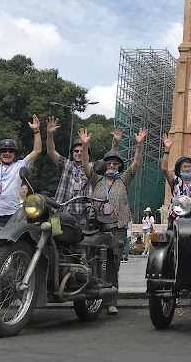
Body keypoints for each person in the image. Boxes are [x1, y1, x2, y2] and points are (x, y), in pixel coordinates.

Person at [80, 125, 146, 315]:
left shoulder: (123, 179)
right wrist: (85, 146)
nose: (111, 166)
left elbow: (136, 163)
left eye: (115, 164)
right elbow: (85, 164)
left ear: (119, 167)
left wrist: (139, 145)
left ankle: (110, 301)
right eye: (108, 163)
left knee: (112, 264)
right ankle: (91, 299)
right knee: (92, 262)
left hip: (117, 226)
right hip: (97, 226)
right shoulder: (96, 179)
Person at [46, 117, 123, 220]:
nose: (79, 153)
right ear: (72, 153)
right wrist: (49, 134)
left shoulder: (92, 167)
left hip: (84, 213)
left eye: (82, 151)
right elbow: (51, 151)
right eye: (76, 151)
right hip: (61, 211)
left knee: (86, 236)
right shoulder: (65, 164)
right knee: (51, 231)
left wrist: (116, 143)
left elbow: (109, 160)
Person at [160, 132, 191, 229]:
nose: (187, 169)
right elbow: (164, 168)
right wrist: (167, 150)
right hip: (176, 217)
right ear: (179, 169)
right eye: (184, 167)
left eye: (189, 167)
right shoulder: (175, 181)